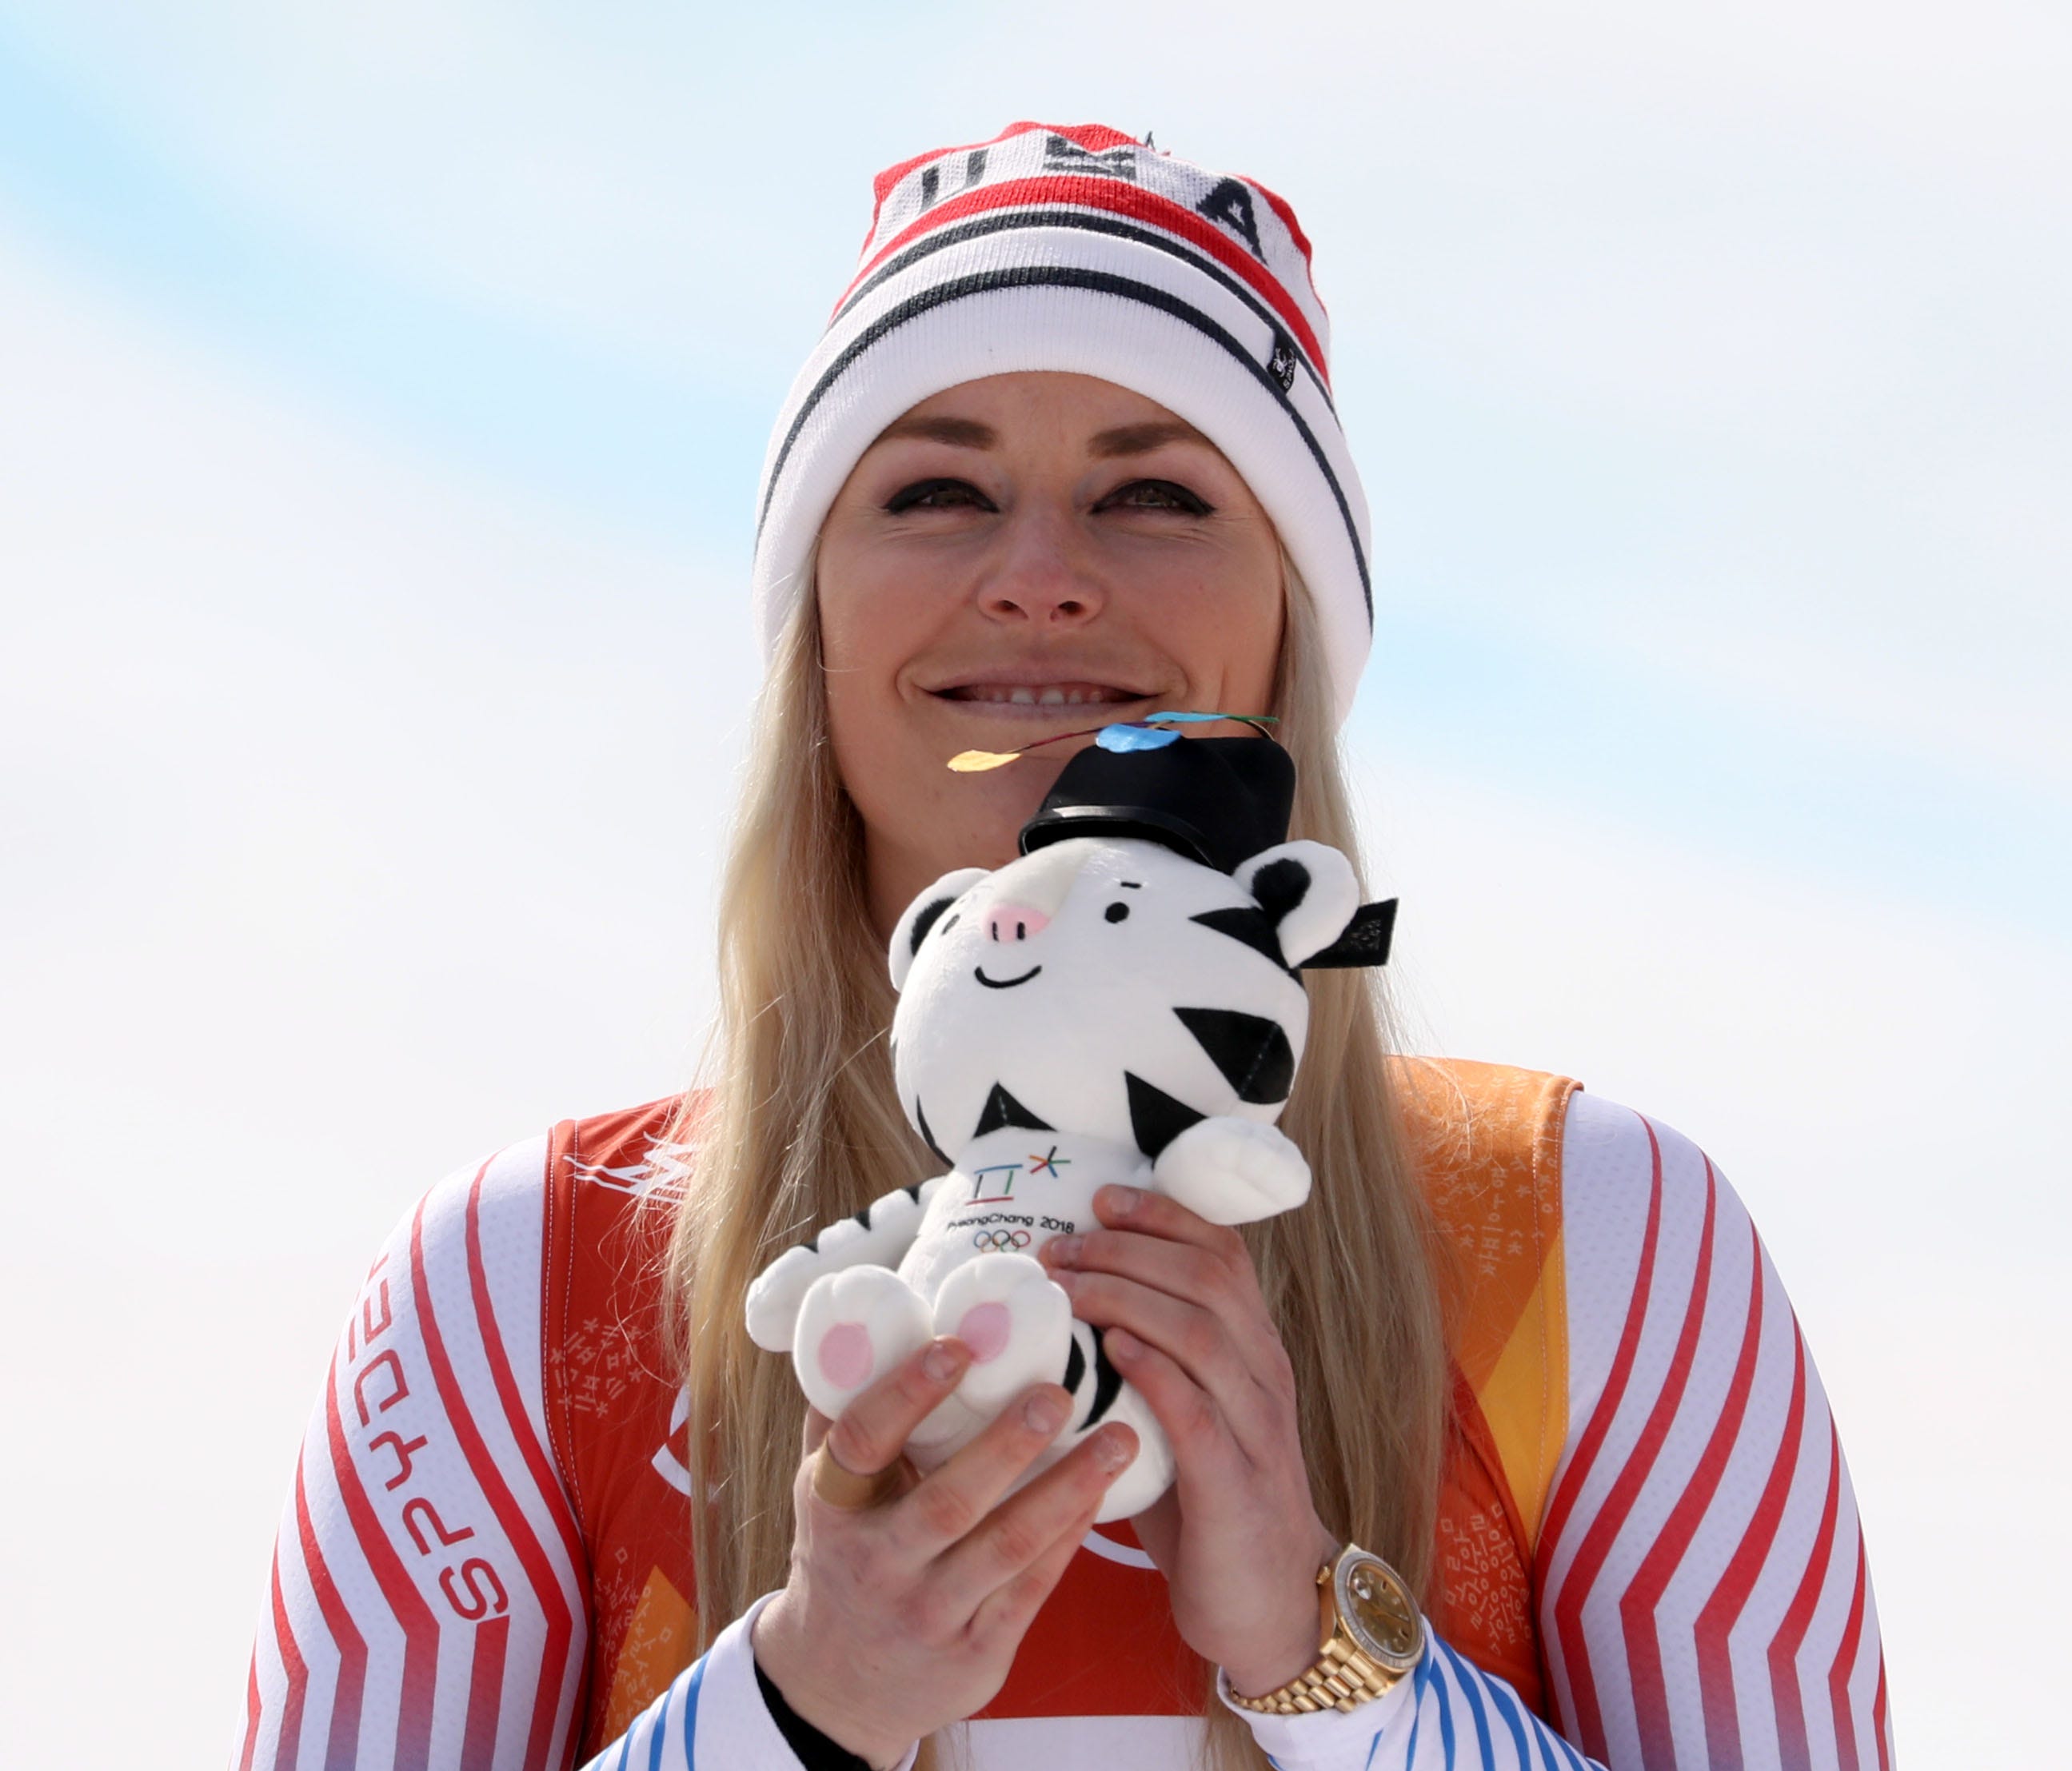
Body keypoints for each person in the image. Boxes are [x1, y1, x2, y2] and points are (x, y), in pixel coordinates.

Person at [233, 122, 1892, 1771]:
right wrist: (796, 1710)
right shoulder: (512, 1285)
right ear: (815, 623)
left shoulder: (1600, 1239)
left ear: (1292, 626)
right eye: (936, 489)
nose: (1039, 579)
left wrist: (1328, 1663)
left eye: (1154, 492)